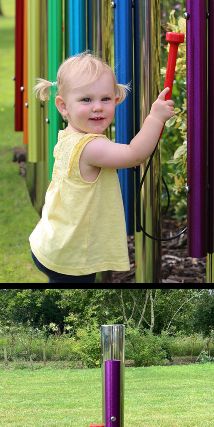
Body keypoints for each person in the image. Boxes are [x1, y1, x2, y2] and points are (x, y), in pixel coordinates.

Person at [29, 51, 175, 282]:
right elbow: (134, 154)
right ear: (63, 106)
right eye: (86, 100)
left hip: (55, 241)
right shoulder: (90, 147)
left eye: (105, 99)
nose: (98, 107)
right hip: (72, 257)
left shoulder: (69, 136)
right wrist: (155, 118)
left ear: (116, 100)